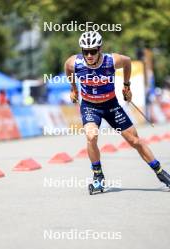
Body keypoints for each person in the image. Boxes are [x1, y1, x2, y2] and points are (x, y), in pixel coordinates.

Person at [64, 31, 170, 187]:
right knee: (91, 136)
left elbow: (127, 61)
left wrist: (127, 86)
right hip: (90, 106)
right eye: (85, 51)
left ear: (99, 49)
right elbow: (68, 68)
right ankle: (98, 175)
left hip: (111, 105)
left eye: (93, 51)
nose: (89, 55)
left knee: (134, 140)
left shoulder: (111, 61)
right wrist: (73, 88)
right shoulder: (74, 63)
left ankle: (160, 171)